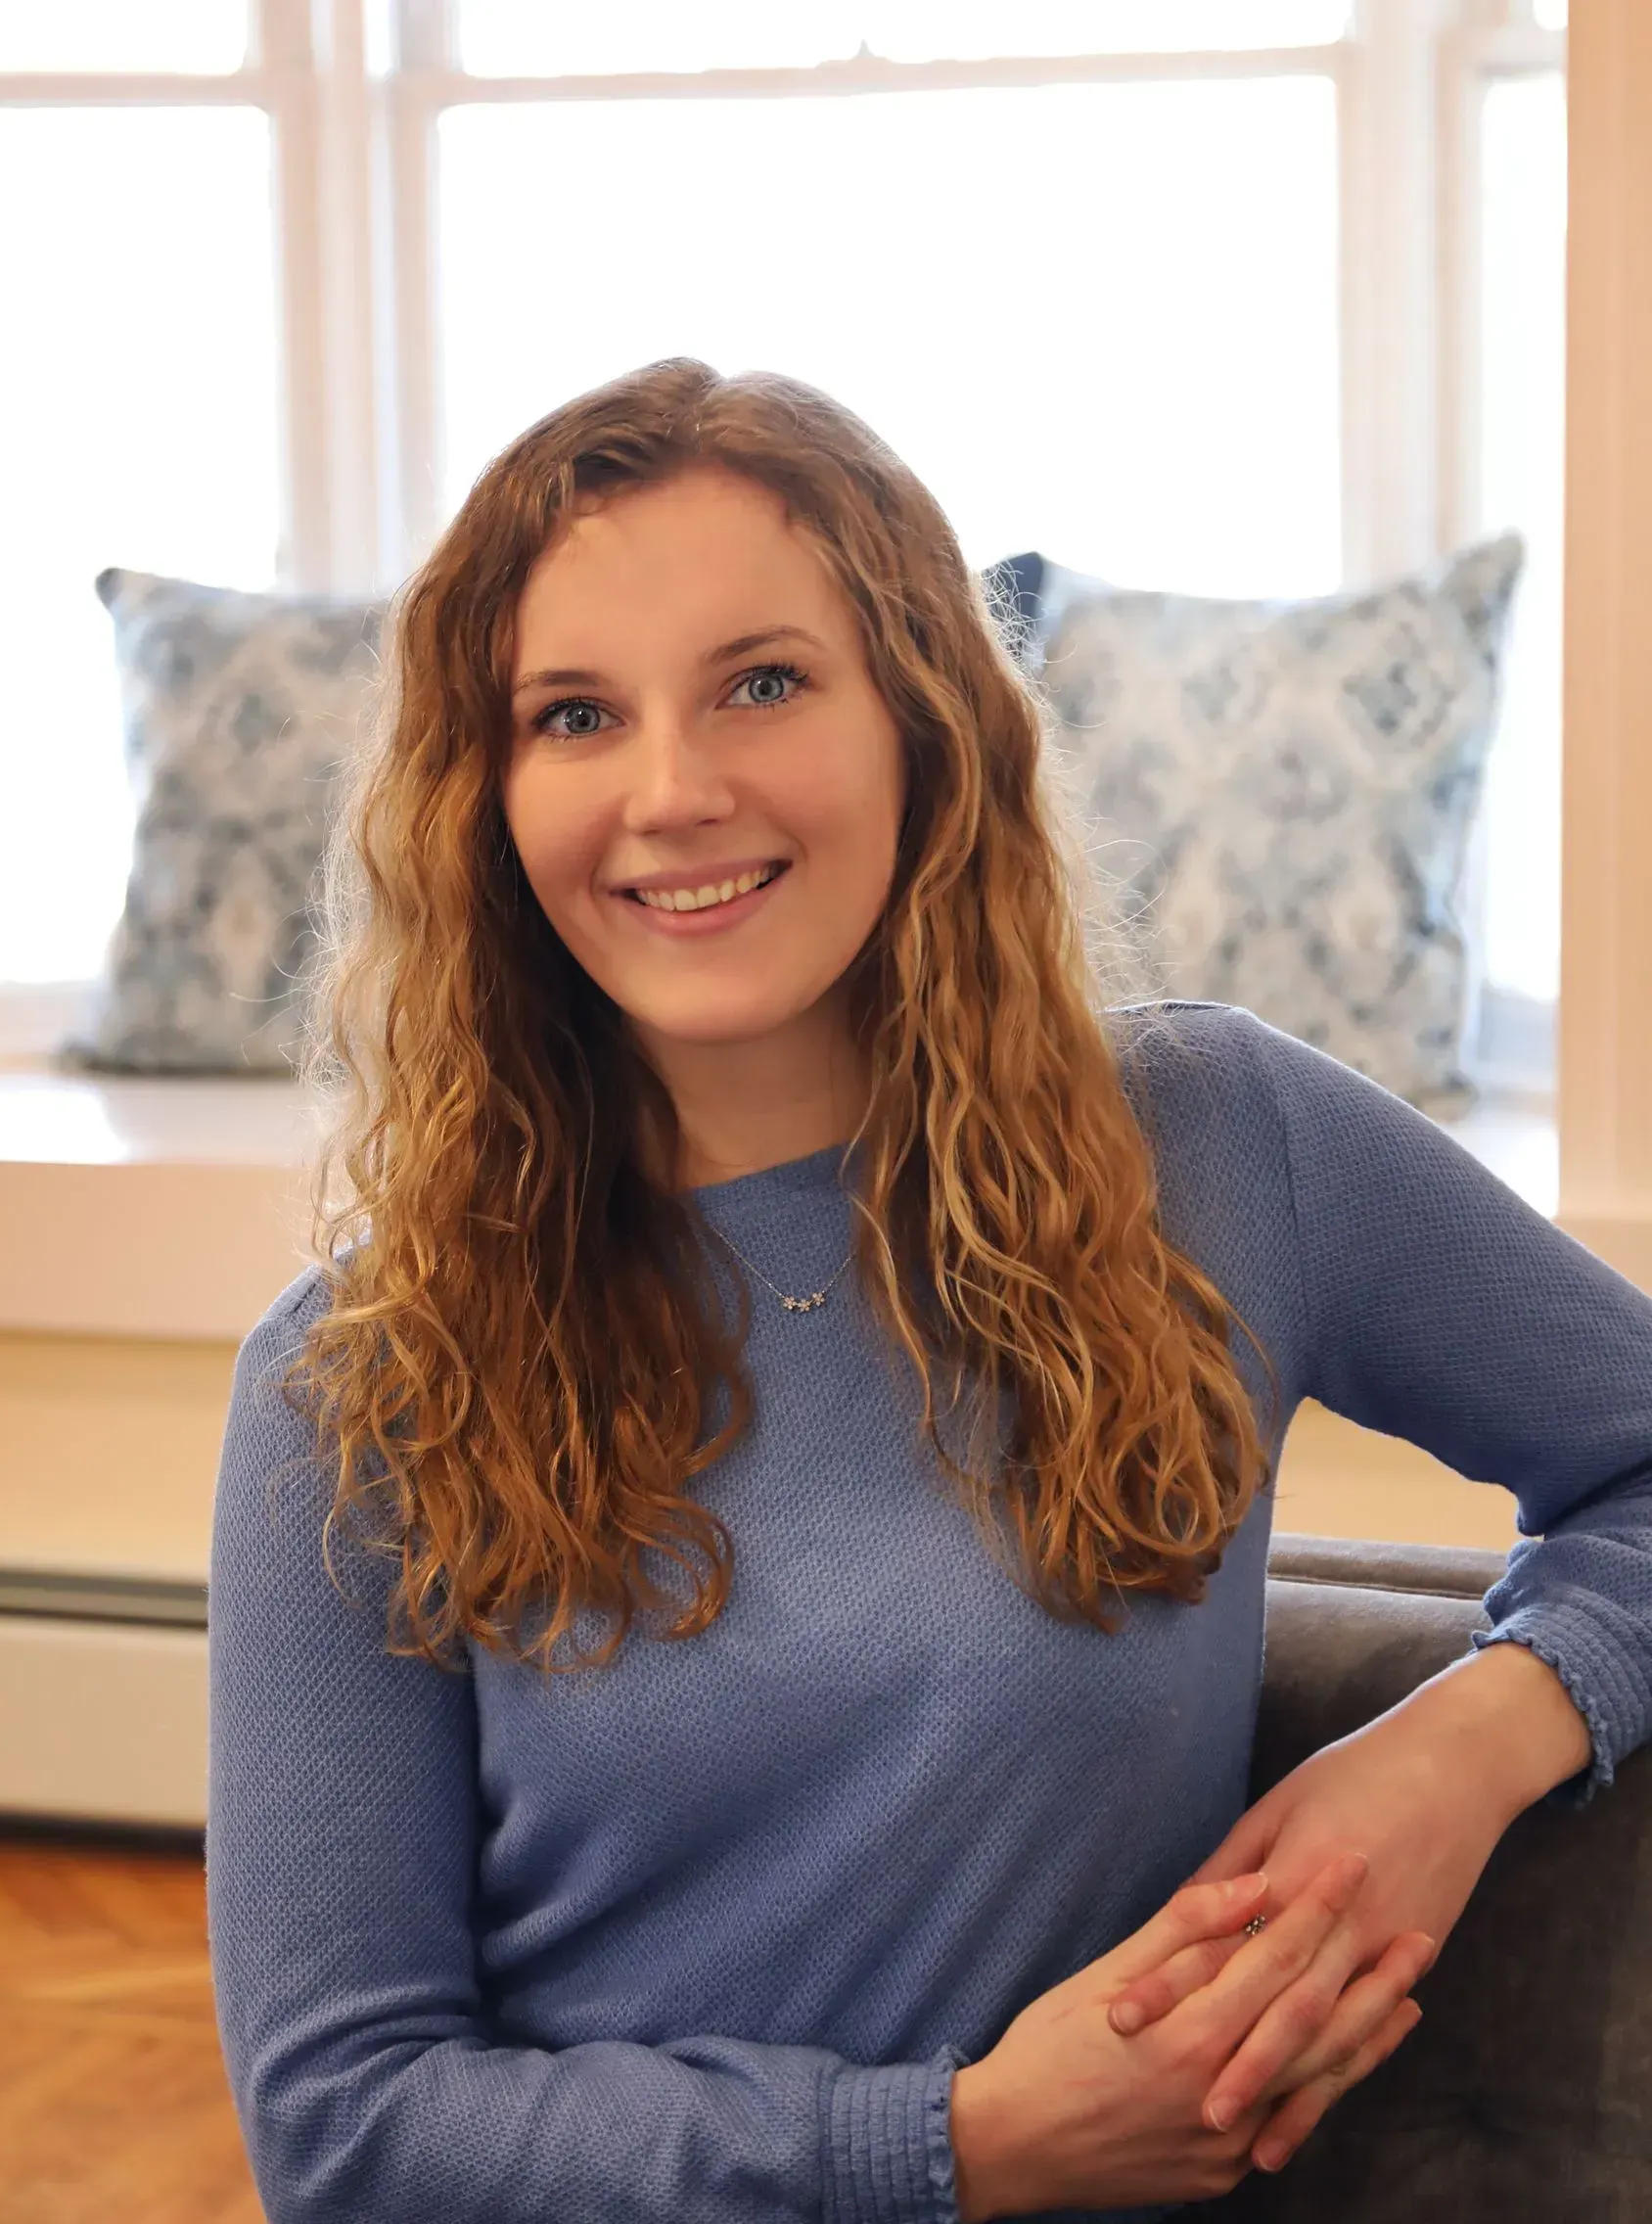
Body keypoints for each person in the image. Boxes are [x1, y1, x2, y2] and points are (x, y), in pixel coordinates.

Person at [205, 358, 1652, 2223]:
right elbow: (346, 2121)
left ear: (925, 719)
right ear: (483, 803)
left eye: (764, 681)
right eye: (573, 715)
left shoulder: (1220, 1146)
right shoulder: (352, 1385)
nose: (673, 790)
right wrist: (955, 2149)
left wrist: (1468, 1743)